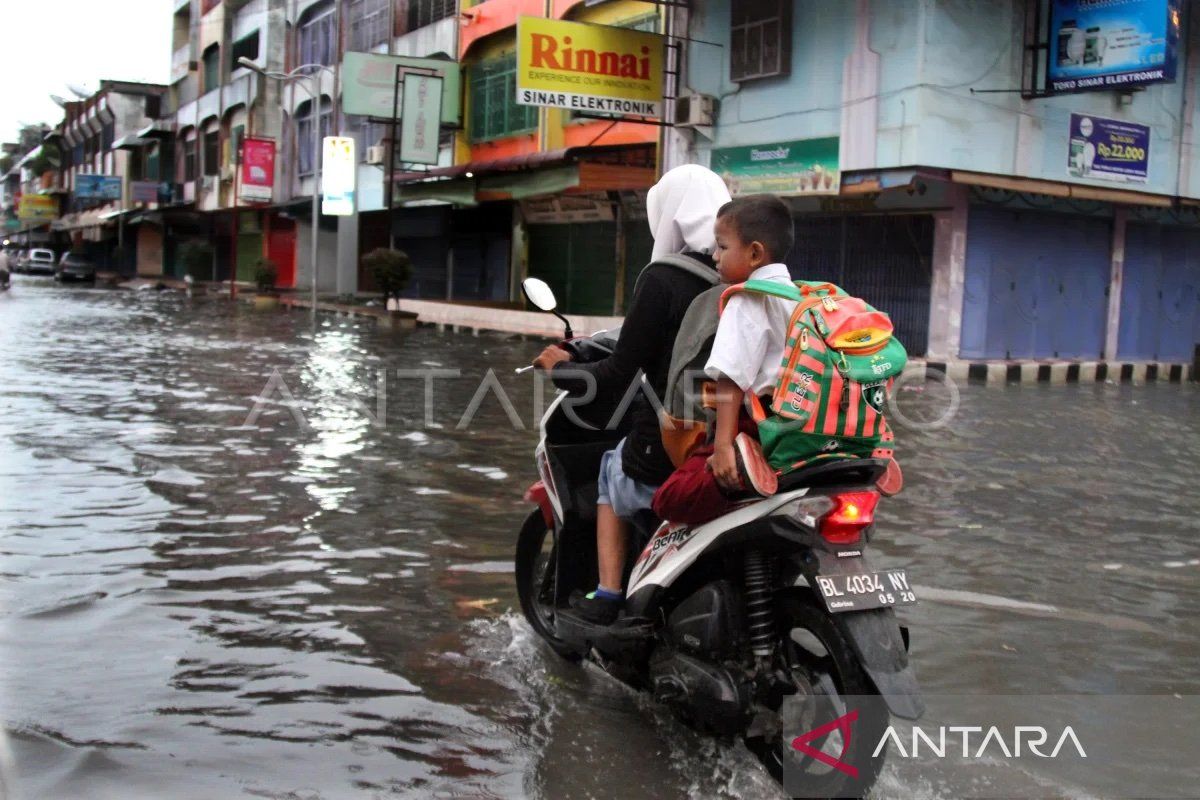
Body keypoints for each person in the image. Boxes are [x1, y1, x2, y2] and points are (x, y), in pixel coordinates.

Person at [532, 165, 732, 625]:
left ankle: (607, 595)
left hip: (676, 436)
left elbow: (620, 373)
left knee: (611, 470)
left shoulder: (663, 278)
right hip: (739, 435)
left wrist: (562, 368)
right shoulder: (743, 270)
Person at [653, 195, 797, 525]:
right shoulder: (801, 297)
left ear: (755, 253)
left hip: (753, 427)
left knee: (668, 498)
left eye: (722, 247)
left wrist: (723, 450)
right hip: (790, 426)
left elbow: (730, 379)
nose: (715, 257)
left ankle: (743, 484)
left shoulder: (745, 299)